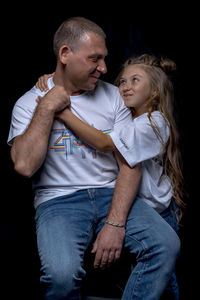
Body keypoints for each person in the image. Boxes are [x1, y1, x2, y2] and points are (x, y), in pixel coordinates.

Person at [8, 17, 180, 300]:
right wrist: (48, 106)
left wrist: (115, 222)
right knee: (61, 277)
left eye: (104, 59)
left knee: (166, 245)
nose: (104, 68)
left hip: (110, 194)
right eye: (94, 59)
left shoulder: (115, 98)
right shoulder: (30, 103)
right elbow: (25, 166)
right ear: (65, 55)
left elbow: (129, 160)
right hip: (58, 201)